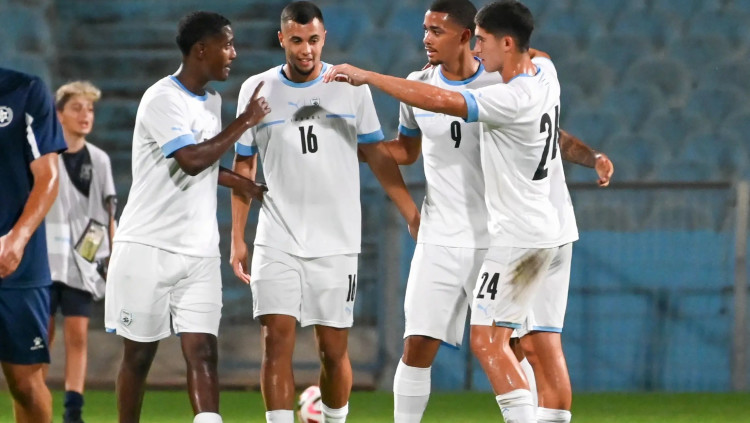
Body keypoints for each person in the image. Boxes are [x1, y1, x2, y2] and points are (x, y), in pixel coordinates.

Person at [324, 1, 584, 421]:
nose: (425, 39)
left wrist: (368, 77)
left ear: (467, 36)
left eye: (437, 31)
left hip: (499, 237)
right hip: (442, 234)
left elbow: (449, 103)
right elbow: (406, 150)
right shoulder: (423, 83)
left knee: (510, 346)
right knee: (417, 344)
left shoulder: (500, 84)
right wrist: (351, 151)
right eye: (425, 29)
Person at [230, 2, 420, 422]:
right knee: (275, 342)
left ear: (324, 39)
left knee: (333, 351)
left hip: (336, 240)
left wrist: (411, 213)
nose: (306, 50)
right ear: (281, 39)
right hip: (277, 236)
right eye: (297, 40)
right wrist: (237, 236)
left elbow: (378, 155)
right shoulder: (256, 89)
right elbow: (244, 163)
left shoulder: (350, 88)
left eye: (313, 40)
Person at [103, 11, 269, 423]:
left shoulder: (211, 101)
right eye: (226, 45)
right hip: (148, 247)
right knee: (138, 356)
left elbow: (206, 160)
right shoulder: (162, 98)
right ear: (201, 50)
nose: (233, 53)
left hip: (199, 252)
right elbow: (191, 160)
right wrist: (245, 121)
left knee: (204, 351)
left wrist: (242, 184)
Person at [43, 80, 117, 423]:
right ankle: (36, 400)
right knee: (42, 336)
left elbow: (108, 213)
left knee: (78, 334)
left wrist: (112, 256)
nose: (85, 115)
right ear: (59, 114)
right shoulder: (43, 157)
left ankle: (73, 410)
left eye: (90, 109)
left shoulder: (99, 160)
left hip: (83, 263)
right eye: (77, 108)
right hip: (43, 263)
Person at [0, 67, 67, 423]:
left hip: (17, 264)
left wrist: (18, 238)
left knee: (25, 383)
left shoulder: (24, 90)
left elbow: (48, 175)